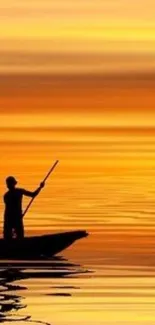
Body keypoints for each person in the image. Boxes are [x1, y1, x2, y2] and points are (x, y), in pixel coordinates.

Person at [3, 176, 44, 241]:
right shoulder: (11, 194)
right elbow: (33, 194)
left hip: (13, 218)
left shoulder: (9, 194)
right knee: (12, 238)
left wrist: (40, 187)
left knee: (13, 238)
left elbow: (33, 194)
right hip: (11, 218)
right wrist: (40, 187)